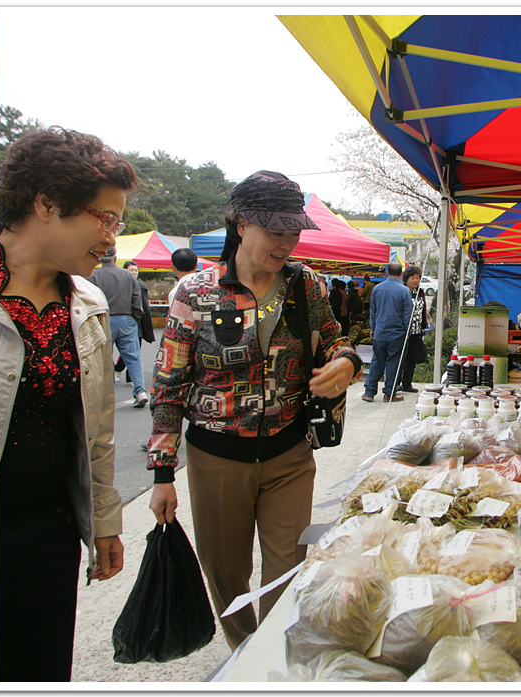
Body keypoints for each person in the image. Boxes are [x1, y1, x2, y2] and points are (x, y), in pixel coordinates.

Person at [146, 170, 361, 651]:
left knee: (288, 570)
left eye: (294, 232)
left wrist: (345, 364)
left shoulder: (306, 287)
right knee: (227, 575)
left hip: (289, 454)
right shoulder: (195, 294)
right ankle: (247, 656)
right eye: (276, 232)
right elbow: (168, 387)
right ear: (241, 224)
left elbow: (337, 342)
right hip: (217, 459)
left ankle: (276, 657)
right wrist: (162, 472)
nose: (287, 244)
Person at [0, 126, 129, 680]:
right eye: (105, 218)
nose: (112, 237)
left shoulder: (88, 300)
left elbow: (96, 430)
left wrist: (104, 521)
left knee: (40, 670)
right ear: (47, 203)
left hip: (47, 534)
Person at [88, 249, 149, 407]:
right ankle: (140, 391)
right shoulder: (128, 275)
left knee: (104, 359)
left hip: (103, 319)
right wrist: (135, 318)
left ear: (100, 258)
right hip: (126, 318)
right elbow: (137, 299)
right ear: (115, 257)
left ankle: (106, 395)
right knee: (133, 358)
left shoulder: (93, 276)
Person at [361, 262, 412, 402]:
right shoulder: (404, 291)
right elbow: (407, 315)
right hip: (397, 334)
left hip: (380, 332)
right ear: (401, 274)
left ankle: (369, 392)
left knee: (377, 361)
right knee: (393, 363)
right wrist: (407, 331)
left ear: (387, 273)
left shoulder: (377, 289)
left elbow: (373, 311)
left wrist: (373, 328)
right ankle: (389, 393)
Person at [114, 260, 155, 380]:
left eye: (136, 270)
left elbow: (145, 309)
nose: (134, 272)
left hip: (138, 324)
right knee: (127, 349)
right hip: (124, 321)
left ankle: (129, 376)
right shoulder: (119, 285)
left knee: (135, 350)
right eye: (131, 270)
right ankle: (119, 369)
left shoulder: (141, 287)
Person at [399, 264, 428, 393]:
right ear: (406, 279)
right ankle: (395, 382)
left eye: (417, 278)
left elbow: (423, 310)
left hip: (416, 331)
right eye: (412, 278)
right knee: (400, 358)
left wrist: (423, 327)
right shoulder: (403, 291)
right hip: (403, 331)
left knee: (411, 358)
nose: (415, 280)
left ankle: (407, 383)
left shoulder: (420, 292)